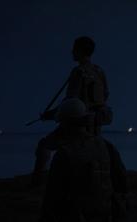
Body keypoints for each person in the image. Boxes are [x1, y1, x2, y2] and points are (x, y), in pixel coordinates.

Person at [32, 36, 112, 186]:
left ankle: (38, 181)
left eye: (74, 49)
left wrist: (48, 115)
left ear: (80, 51)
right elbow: (105, 95)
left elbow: (69, 103)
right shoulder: (99, 71)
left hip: (77, 125)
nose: (71, 52)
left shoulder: (78, 72)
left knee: (44, 146)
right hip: (95, 126)